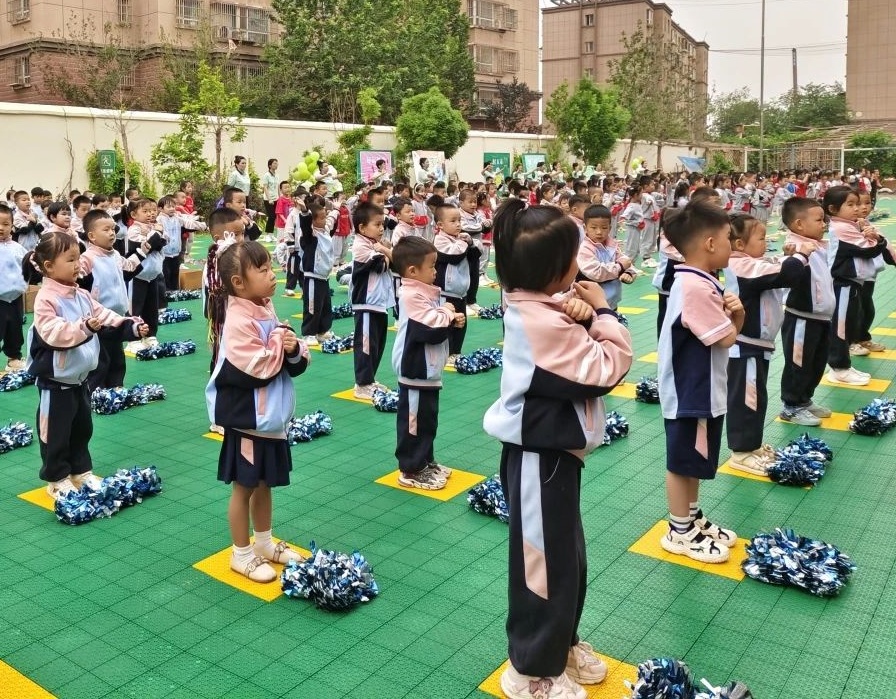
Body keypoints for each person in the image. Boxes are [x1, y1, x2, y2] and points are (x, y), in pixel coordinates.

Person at [483, 199, 632, 699]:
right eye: (572, 256)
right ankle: (530, 670)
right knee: (542, 568)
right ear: (555, 270)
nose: (578, 264)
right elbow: (608, 367)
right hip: (537, 460)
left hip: (554, 458)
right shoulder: (539, 322)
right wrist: (603, 313)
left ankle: (560, 645)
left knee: (566, 561)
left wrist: (581, 312)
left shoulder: (540, 306)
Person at [206, 239, 309, 582]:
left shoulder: (264, 307)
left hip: (269, 420)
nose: (272, 274)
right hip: (248, 421)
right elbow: (255, 368)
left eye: (270, 267)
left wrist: (294, 348)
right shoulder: (238, 318)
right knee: (244, 487)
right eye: (263, 270)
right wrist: (282, 341)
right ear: (239, 283)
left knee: (264, 483)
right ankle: (241, 553)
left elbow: (289, 361)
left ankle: (264, 543)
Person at [23, 231, 148, 500]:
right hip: (56, 382)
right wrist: (84, 327)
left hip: (80, 379)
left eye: (78, 258)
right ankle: (57, 478)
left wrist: (130, 327)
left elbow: (105, 316)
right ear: (49, 266)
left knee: (82, 429)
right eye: (70, 260)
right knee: (55, 433)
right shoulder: (46, 298)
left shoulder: (81, 294)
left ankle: (80, 471)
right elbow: (52, 333)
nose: (77, 264)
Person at [657, 200, 743, 564]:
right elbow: (724, 338)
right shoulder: (694, 286)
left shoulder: (698, 281)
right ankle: (678, 530)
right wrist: (738, 316)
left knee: (693, 459)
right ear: (710, 243)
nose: (732, 244)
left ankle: (691, 518)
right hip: (690, 391)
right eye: (728, 237)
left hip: (700, 388)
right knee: (682, 462)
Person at [723, 213, 814, 475]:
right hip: (745, 346)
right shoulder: (741, 265)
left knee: (755, 397)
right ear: (739, 244)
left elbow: (776, 274)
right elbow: (787, 274)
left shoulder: (752, 264)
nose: (766, 243)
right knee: (747, 399)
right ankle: (741, 452)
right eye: (761, 238)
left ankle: (751, 446)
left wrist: (788, 257)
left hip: (756, 346)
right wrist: (801, 255)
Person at [391, 237, 465, 490]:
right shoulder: (411, 295)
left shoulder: (425, 292)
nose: (436, 271)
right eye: (432, 266)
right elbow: (429, 328)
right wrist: (447, 313)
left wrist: (450, 319)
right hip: (415, 370)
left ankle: (424, 460)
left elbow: (437, 323)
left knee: (427, 420)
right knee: (413, 424)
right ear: (413, 271)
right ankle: (411, 468)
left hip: (428, 371)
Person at [79, 209, 154, 391]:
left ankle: (116, 387)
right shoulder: (87, 258)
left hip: (118, 316)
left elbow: (129, 267)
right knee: (100, 359)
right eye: (106, 230)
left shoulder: (115, 255)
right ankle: (96, 391)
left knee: (117, 356)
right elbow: (77, 279)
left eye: (113, 229)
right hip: (98, 319)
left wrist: (143, 251)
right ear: (92, 236)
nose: (112, 233)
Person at [777, 197, 837, 426]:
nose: (824, 224)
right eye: (819, 220)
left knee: (816, 362)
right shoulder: (795, 247)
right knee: (799, 364)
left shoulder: (817, 245)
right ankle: (791, 406)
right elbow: (788, 275)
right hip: (801, 318)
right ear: (799, 224)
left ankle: (804, 400)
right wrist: (791, 256)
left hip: (821, 318)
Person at [824, 185, 890, 386]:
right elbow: (868, 249)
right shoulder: (841, 228)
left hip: (852, 284)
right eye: (851, 204)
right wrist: (875, 239)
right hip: (843, 283)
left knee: (850, 322)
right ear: (833, 209)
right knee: (841, 326)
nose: (857, 208)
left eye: (859, 204)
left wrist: (871, 235)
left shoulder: (851, 225)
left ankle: (843, 364)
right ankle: (839, 367)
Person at [350, 202, 394, 399]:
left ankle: (370, 379)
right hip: (366, 303)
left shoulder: (374, 244)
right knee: (366, 345)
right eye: (377, 225)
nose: (381, 228)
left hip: (378, 303)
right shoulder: (360, 246)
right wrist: (386, 251)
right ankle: (362, 383)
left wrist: (385, 251)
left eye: (382, 224)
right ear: (362, 227)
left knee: (377, 344)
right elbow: (382, 265)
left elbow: (391, 262)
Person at [434, 204, 478, 366]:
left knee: (461, 323)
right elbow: (454, 256)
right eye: (453, 221)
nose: (458, 224)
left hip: (461, 291)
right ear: (440, 225)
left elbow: (475, 255)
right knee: (448, 323)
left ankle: (456, 352)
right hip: (446, 292)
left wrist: (471, 243)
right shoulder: (439, 240)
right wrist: (464, 243)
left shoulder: (459, 239)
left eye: (459, 220)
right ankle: (447, 352)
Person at [851, 189, 891, 356]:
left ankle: (862, 338)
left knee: (867, 309)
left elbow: (887, 248)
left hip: (869, 276)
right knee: (855, 310)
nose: (863, 207)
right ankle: (850, 342)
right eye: (857, 204)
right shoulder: (846, 228)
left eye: (867, 203)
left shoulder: (870, 226)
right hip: (854, 277)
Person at [576, 204, 634, 311]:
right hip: (592, 305)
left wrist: (629, 273)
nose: (599, 232)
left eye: (604, 228)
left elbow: (625, 260)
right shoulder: (585, 249)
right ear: (585, 228)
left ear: (610, 228)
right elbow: (596, 273)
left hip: (611, 302)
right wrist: (620, 267)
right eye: (594, 227)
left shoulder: (611, 245)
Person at [126, 198, 166, 350]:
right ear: (134, 215)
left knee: (151, 308)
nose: (151, 214)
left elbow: (162, 242)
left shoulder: (155, 227)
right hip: (137, 276)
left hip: (153, 275)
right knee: (135, 308)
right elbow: (149, 245)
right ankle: (133, 338)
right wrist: (157, 234)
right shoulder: (133, 229)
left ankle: (150, 335)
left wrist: (156, 235)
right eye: (145, 211)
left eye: (153, 210)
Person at [298, 198, 335, 346]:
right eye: (322, 218)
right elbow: (305, 225)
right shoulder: (310, 235)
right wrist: (304, 212)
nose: (325, 220)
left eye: (325, 217)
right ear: (313, 221)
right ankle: (309, 333)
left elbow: (333, 223)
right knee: (312, 307)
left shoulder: (324, 233)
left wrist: (336, 209)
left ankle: (321, 331)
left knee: (325, 306)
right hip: (313, 277)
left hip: (324, 277)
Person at [0, 204, 27, 371]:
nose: (1, 228)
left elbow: (28, 265)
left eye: (5, 224)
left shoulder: (18, 248)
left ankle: (13, 358)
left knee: (14, 330)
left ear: (12, 226)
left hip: (15, 298)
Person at [157, 195, 183, 294]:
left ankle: (175, 290)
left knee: (175, 272)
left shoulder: (177, 218)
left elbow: (188, 222)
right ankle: (166, 292)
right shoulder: (159, 219)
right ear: (160, 209)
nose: (172, 208)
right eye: (169, 207)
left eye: (173, 206)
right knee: (166, 273)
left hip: (176, 251)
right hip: (165, 253)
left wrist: (202, 225)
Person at [261, 158, 280, 241]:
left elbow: (278, 187)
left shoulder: (277, 175)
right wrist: (269, 199)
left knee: (274, 216)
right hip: (268, 199)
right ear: (270, 165)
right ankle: (267, 234)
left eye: (277, 163)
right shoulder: (266, 175)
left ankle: (271, 234)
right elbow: (265, 187)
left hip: (276, 198)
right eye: (274, 163)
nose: (276, 165)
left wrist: (280, 197)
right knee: (271, 216)